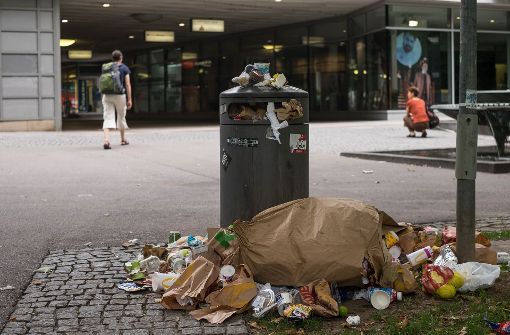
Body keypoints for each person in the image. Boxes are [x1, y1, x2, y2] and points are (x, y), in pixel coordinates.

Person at [102, 50, 132, 149]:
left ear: (112, 58)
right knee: (121, 116)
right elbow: (127, 84)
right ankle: (123, 139)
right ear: (121, 58)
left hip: (107, 95)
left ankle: (106, 140)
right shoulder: (124, 67)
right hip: (120, 95)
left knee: (108, 117)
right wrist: (129, 99)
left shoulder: (107, 67)